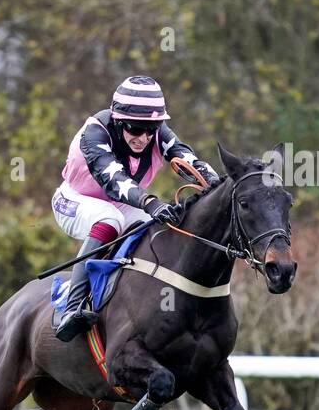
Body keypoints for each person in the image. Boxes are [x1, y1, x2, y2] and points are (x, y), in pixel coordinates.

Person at [50, 75, 221, 341]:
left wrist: (220, 186)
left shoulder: (156, 133)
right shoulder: (94, 132)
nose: (143, 138)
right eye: (134, 128)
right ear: (118, 121)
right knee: (109, 220)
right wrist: (150, 202)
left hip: (121, 203)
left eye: (150, 130)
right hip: (73, 200)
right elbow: (114, 180)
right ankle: (72, 307)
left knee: (156, 227)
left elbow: (188, 159)